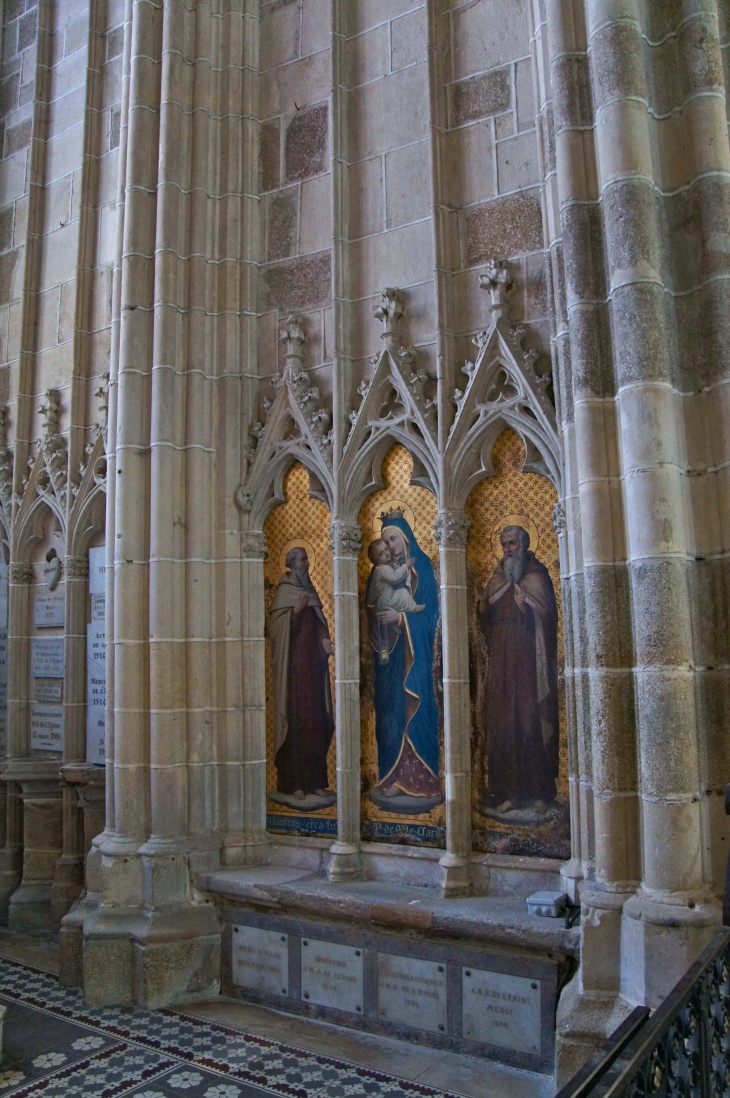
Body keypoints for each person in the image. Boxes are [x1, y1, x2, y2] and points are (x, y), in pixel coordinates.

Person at [477, 525, 559, 815]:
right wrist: (483, 607)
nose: (507, 549)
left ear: (524, 545)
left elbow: (548, 617)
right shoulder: (498, 576)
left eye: (512, 543)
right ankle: (507, 791)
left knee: (529, 720)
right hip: (501, 658)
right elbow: (485, 617)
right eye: (504, 544)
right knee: (503, 723)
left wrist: (531, 607)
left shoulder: (537, 575)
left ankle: (539, 792)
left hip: (528, 660)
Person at [365, 510, 441, 805]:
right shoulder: (381, 574)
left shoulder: (421, 570)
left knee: (418, 707)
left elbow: (434, 617)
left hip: (418, 656)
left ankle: (423, 779)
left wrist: (402, 620)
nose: (391, 546)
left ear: (407, 538)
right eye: (385, 541)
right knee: (392, 713)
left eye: (394, 538)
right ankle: (394, 777)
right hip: (391, 657)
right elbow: (371, 613)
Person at [268, 546, 334, 800]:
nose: (307, 564)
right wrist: (293, 614)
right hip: (294, 674)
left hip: (314, 671)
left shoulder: (310, 591)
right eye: (303, 560)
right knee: (295, 724)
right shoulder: (284, 592)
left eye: (307, 559)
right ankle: (294, 782)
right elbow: (275, 631)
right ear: (293, 564)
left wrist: (325, 640)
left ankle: (316, 781)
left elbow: (319, 623)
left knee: (315, 722)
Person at [367, 538, 425, 616]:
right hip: (387, 602)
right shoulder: (383, 569)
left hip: (384, 602)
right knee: (403, 593)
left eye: (386, 549)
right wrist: (406, 566)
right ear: (376, 560)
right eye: (381, 554)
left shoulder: (380, 568)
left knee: (401, 593)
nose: (387, 553)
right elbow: (395, 577)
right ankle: (413, 608)